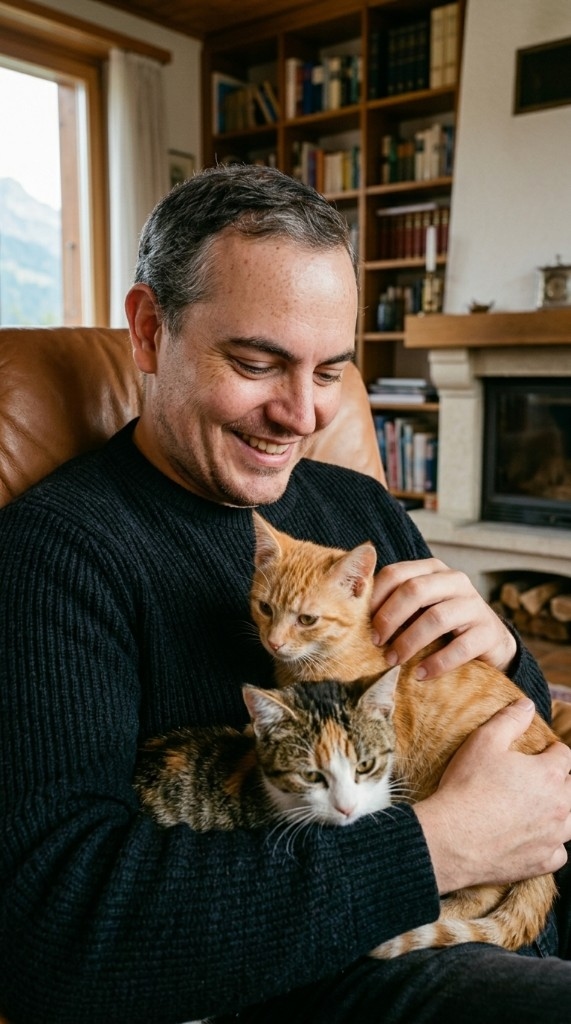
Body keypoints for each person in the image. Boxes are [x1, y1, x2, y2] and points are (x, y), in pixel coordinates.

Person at [1, 164, 571, 1024]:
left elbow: (508, 743)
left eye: (330, 372)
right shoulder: (56, 553)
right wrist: (439, 847)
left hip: (511, 890)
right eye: (257, 363)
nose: (303, 416)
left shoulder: (357, 507)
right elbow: (54, 925)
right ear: (150, 331)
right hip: (333, 971)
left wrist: (502, 653)